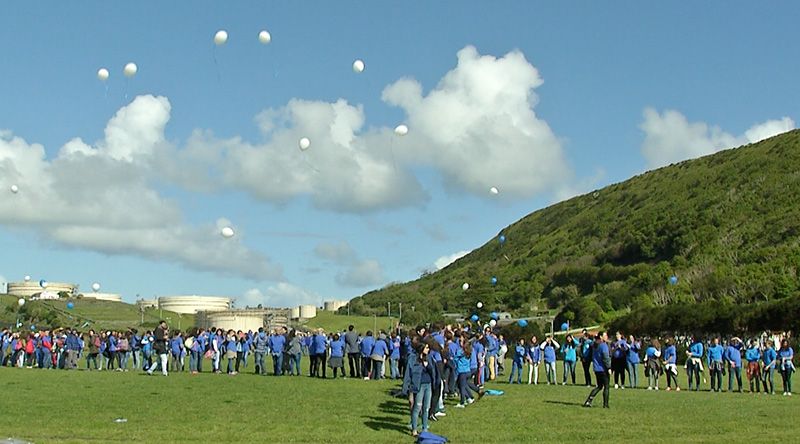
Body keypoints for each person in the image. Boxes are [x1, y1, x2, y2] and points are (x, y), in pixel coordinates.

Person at [408, 342, 438, 437]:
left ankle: (425, 428)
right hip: (419, 385)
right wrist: (407, 388)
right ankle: (414, 429)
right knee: (417, 407)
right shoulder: (413, 359)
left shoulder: (429, 358)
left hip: (428, 384)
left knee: (426, 408)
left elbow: (432, 371)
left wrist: (427, 365)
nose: (428, 350)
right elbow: (409, 372)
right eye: (426, 348)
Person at [584, 331, 610, 408]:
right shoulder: (603, 345)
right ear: (601, 337)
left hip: (596, 369)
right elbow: (605, 358)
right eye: (605, 335)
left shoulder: (594, 345)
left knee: (599, 386)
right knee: (606, 386)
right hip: (603, 369)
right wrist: (609, 367)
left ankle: (588, 401)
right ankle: (605, 404)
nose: (607, 337)